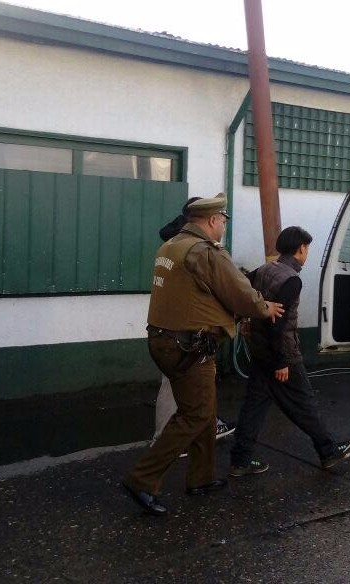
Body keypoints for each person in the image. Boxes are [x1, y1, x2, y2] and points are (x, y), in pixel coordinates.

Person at [122, 193, 285, 516]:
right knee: (194, 415)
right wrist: (265, 307)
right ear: (213, 220)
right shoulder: (206, 252)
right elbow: (241, 295)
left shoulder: (171, 246)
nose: (223, 226)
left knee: (206, 411)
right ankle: (142, 480)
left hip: (165, 341)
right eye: (223, 221)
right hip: (191, 347)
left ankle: (201, 478)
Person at [229, 226, 350, 477]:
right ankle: (329, 451)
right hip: (282, 353)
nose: (307, 252)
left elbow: (243, 290)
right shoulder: (291, 280)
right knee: (303, 403)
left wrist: (247, 319)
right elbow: (277, 325)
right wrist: (281, 363)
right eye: (307, 248)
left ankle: (240, 460)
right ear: (300, 249)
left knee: (253, 406)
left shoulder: (264, 270)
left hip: (259, 350)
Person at [153, 197, 235, 447]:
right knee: (179, 383)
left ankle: (203, 430)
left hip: (170, 324)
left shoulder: (174, 239)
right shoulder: (194, 243)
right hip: (186, 329)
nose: (221, 223)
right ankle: (166, 439)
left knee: (185, 384)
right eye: (219, 218)